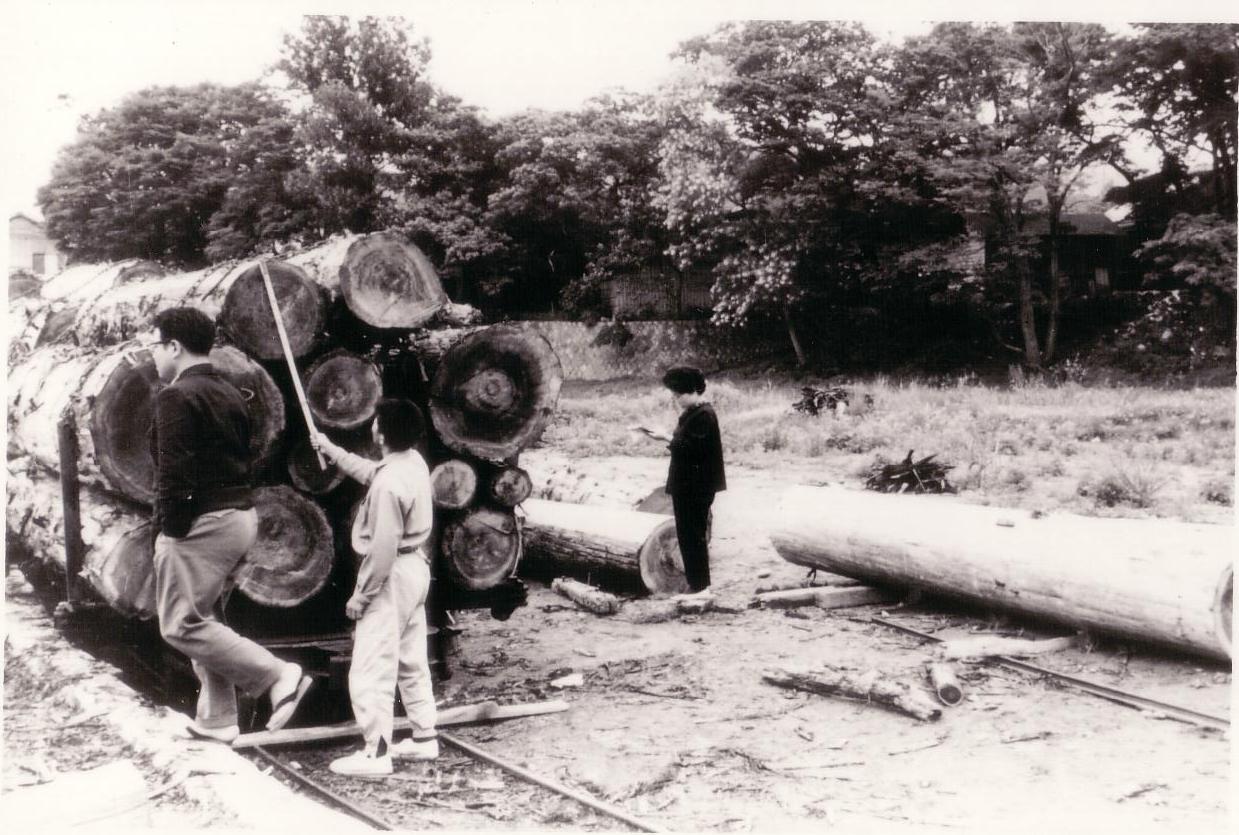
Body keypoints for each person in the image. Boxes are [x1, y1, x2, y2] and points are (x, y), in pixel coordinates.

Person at [147, 307, 313, 744]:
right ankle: (218, 718)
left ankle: (280, 675)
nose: (153, 356)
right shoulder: (230, 391)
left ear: (174, 347)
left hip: (202, 522)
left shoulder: (175, 397)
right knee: (207, 618)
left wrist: (170, 531)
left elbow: (174, 475)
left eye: (155, 345)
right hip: (240, 518)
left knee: (180, 624)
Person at [311, 398, 437, 777]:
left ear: (381, 431)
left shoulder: (389, 486)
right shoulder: (410, 463)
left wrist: (361, 596)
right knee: (411, 657)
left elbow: (381, 551)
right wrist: (332, 451)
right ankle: (424, 736)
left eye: (376, 420)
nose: (372, 425)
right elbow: (372, 472)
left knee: (371, 664)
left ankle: (376, 753)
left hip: (392, 574)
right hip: (415, 569)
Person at [633, 366, 726, 595]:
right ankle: (697, 585)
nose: (676, 399)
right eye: (674, 395)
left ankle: (701, 588)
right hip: (687, 484)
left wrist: (666, 437)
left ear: (694, 390)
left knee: (693, 537)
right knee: (687, 537)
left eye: (679, 395)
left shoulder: (705, 415)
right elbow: (684, 443)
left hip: (696, 486)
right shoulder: (693, 413)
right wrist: (665, 436)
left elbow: (690, 449)